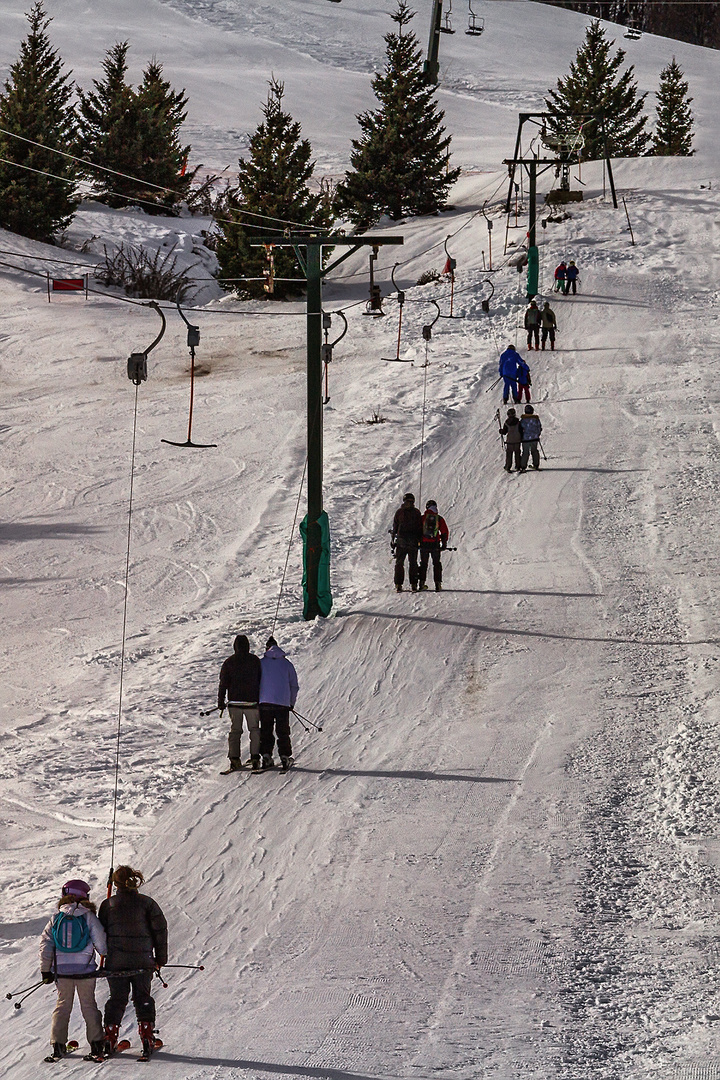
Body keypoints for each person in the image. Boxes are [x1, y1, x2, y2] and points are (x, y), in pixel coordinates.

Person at [100, 866, 168, 1061]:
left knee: (117, 999)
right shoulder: (147, 903)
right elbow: (160, 931)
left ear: (115, 884)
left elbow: (101, 932)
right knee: (142, 996)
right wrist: (160, 959)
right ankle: (146, 1037)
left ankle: (110, 1037)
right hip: (143, 961)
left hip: (116, 962)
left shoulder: (108, 904)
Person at [39, 879, 107, 1063]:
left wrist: (46, 970)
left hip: (62, 972)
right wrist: (104, 954)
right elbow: (101, 943)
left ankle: (58, 1045)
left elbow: (46, 944)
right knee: (88, 1005)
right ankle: (96, 1044)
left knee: (62, 1006)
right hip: (85, 971)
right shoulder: (88, 916)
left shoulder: (56, 918)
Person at [217, 634, 262, 771]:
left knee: (235, 731)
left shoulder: (229, 662)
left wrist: (220, 701)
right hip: (252, 702)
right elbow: (261, 680)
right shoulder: (255, 660)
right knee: (254, 730)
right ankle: (255, 758)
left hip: (234, 703)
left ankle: (234, 759)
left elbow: (223, 683)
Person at [259, 637, 299, 770]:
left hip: (264, 702)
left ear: (267, 648)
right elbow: (294, 686)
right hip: (282, 703)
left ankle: (266, 756)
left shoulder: (261, 663)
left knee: (266, 730)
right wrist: (291, 703)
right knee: (282, 731)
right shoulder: (287, 664)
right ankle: (285, 756)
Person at [391, 491, 423, 592]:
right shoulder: (415, 512)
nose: (409, 503)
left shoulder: (400, 512)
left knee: (405, 563)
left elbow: (395, 527)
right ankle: (403, 584)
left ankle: (406, 584)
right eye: (408, 501)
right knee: (407, 563)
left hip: (404, 541)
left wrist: (393, 539)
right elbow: (419, 528)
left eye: (410, 501)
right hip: (408, 541)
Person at [418, 500, 449, 592]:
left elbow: (417, 530)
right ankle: (438, 584)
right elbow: (444, 532)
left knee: (423, 563)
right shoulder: (439, 518)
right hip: (435, 544)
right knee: (436, 563)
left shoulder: (422, 518)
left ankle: (421, 583)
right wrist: (444, 543)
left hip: (424, 544)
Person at [519, 404, 543, 471]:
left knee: (525, 452)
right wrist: (538, 434)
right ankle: (536, 465)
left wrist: (521, 436)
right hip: (534, 438)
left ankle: (523, 466)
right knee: (534, 451)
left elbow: (520, 428)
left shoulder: (523, 419)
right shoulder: (536, 419)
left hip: (526, 439)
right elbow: (539, 427)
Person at [500, 408, 523, 472]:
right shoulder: (518, 422)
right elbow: (521, 431)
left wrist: (501, 431)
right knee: (517, 453)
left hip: (510, 441)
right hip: (517, 440)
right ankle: (518, 466)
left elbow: (504, 432)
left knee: (509, 454)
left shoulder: (507, 422)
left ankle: (508, 466)